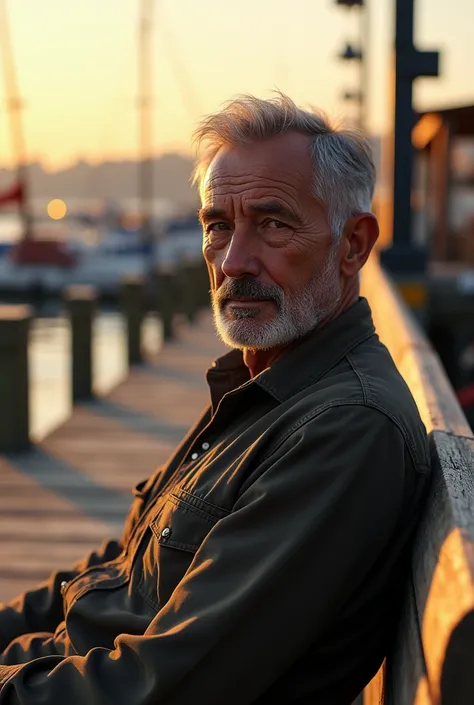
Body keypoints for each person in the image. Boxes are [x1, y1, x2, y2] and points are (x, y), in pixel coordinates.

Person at [0, 94, 430, 704]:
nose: (233, 261)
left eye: (273, 223)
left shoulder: (343, 430)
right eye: (217, 226)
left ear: (353, 245)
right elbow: (119, 568)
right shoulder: (265, 387)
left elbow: (165, 687)